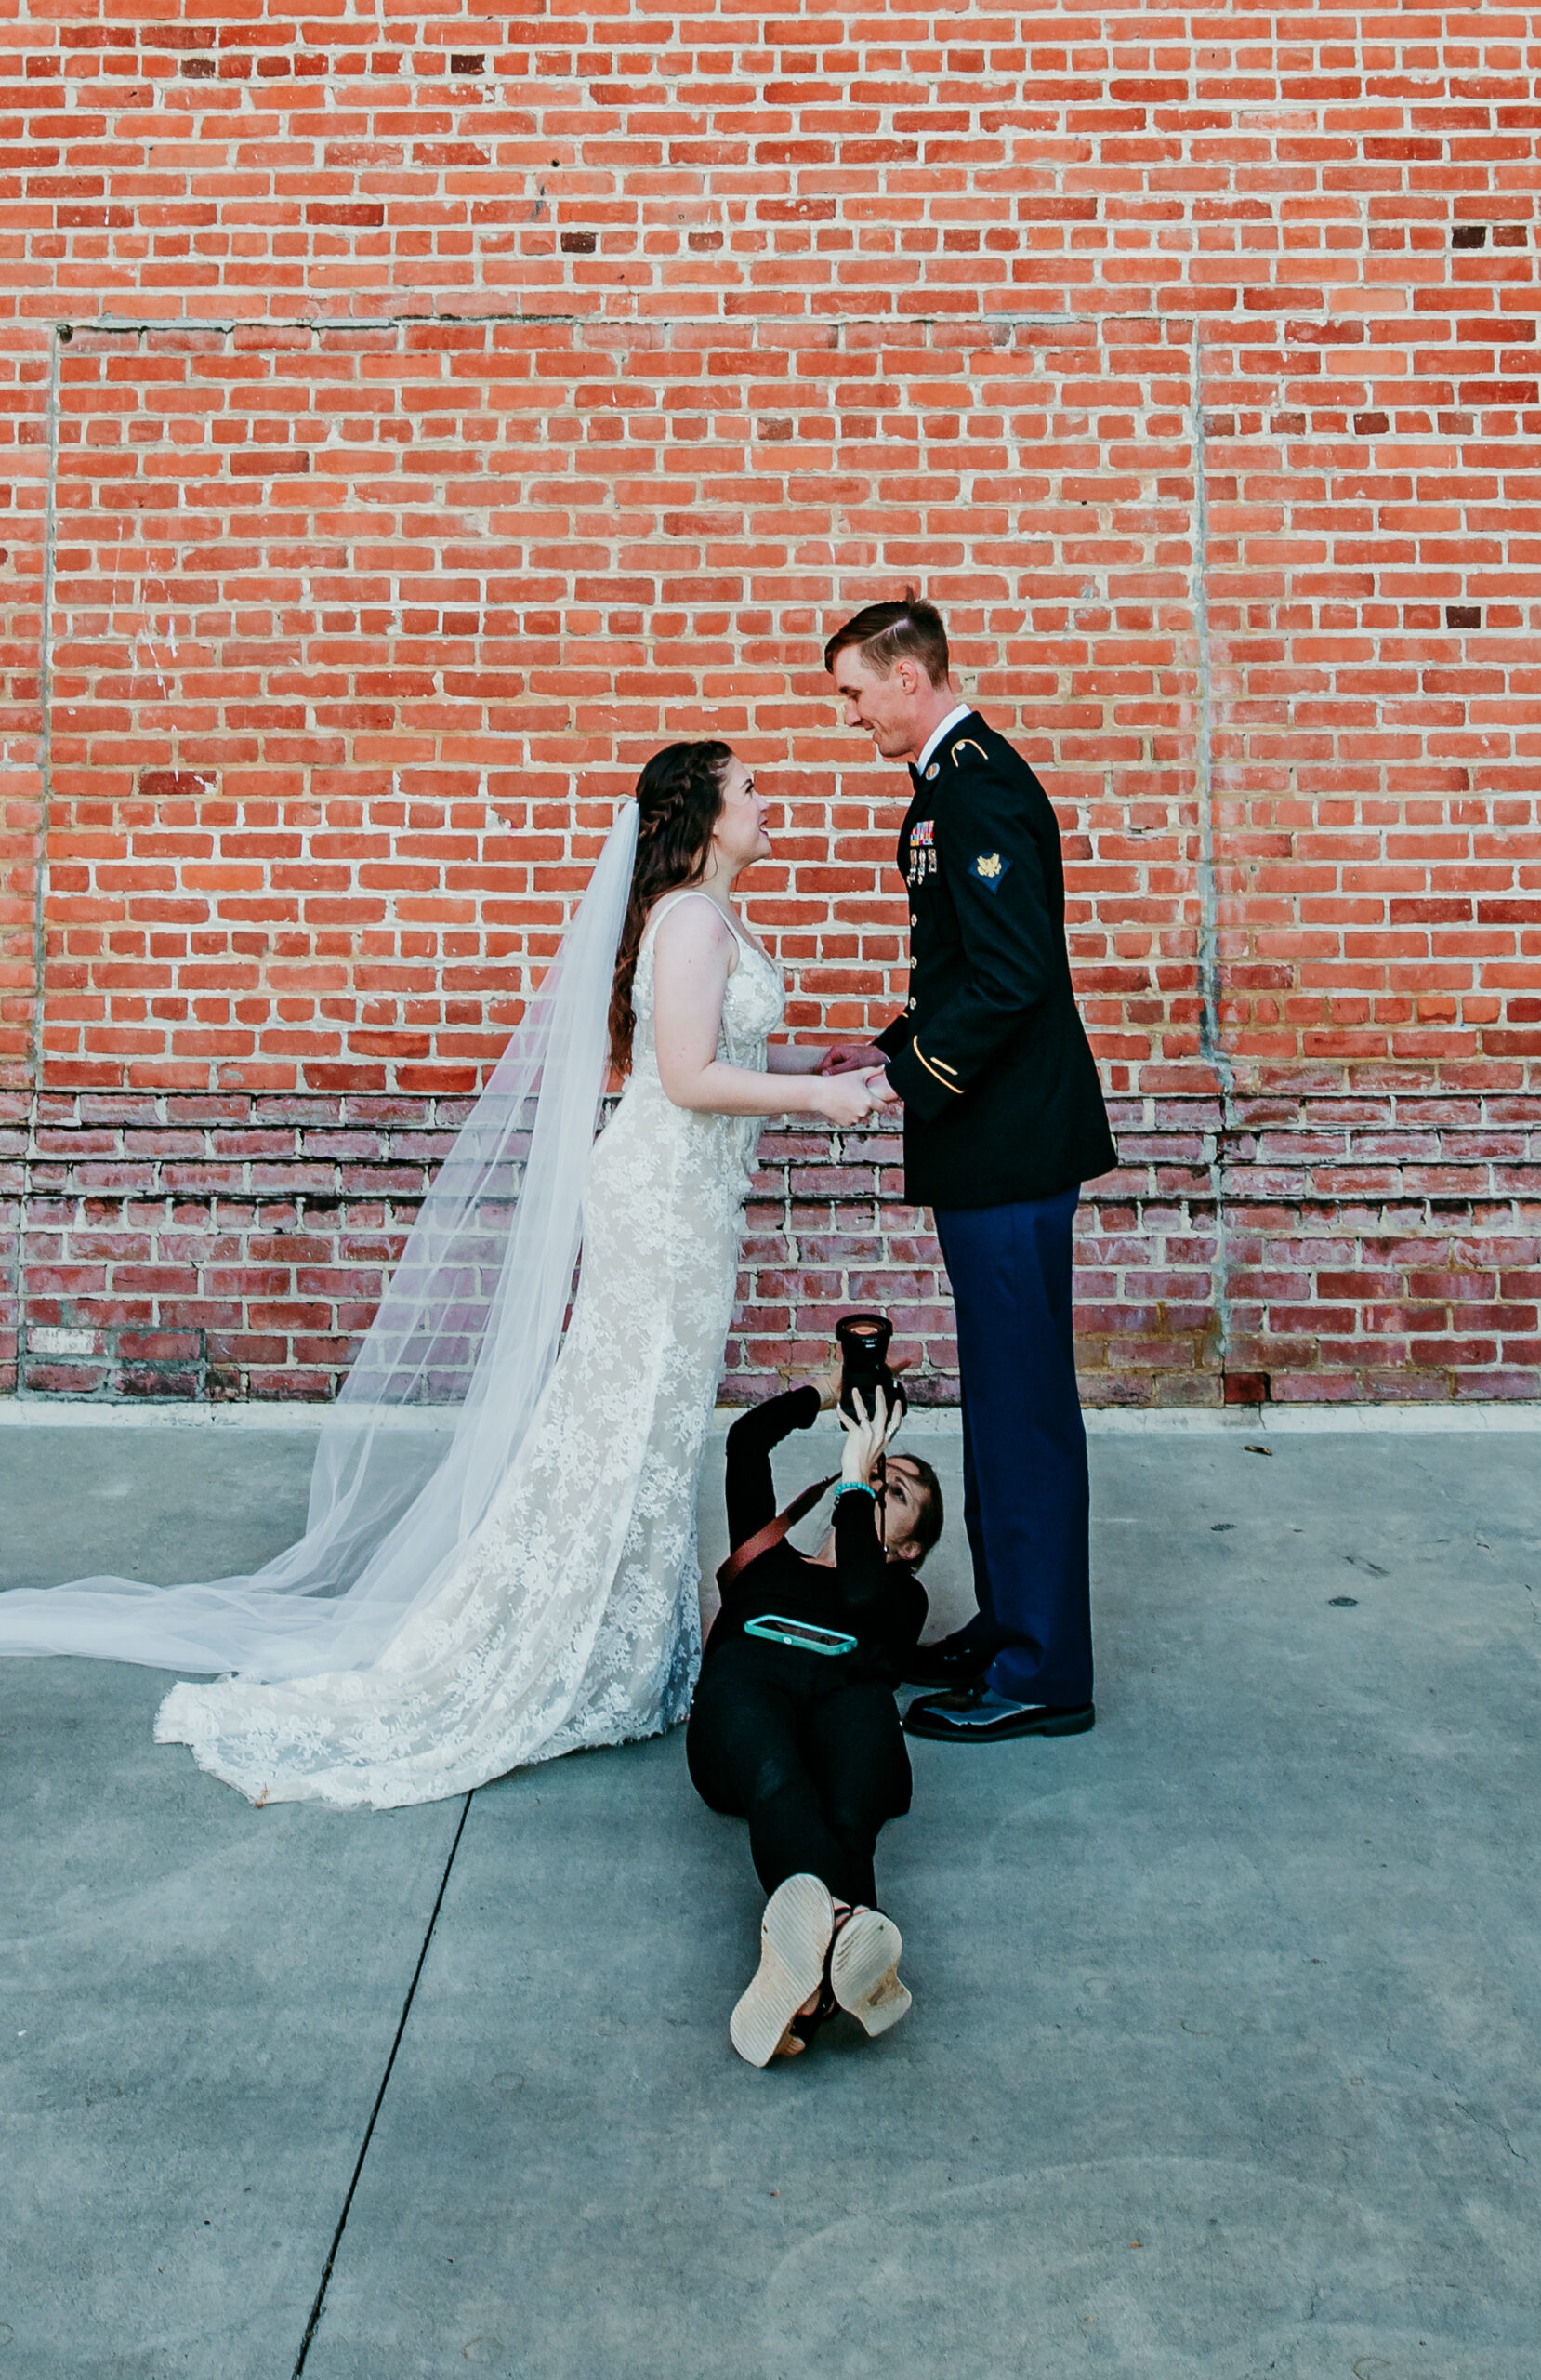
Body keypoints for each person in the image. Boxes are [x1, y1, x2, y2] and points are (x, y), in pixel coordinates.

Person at [0, 744, 892, 1809]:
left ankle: (624, 1647)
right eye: (747, 788)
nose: (764, 800)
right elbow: (691, 1079)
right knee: (623, 1422)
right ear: (702, 815)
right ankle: (557, 1647)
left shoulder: (716, 917)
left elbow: (712, 1051)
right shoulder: (691, 920)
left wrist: (818, 1062)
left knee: (653, 1425)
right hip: (659, 1205)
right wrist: (817, 1104)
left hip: (695, 1209)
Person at [820, 596, 1117, 1744]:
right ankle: (1011, 1628)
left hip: (1010, 1147)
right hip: (994, 1144)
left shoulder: (976, 788)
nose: (851, 715)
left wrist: (909, 1078)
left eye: (855, 692)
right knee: (1001, 1403)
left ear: (910, 676)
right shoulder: (950, 782)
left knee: (1023, 1410)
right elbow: (958, 969)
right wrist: (887, 1045)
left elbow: (1011, 978)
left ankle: (1042, 1671)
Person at [687, 1357, 942, 2065]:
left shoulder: (901, 1595)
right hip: (748, 1690)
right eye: (878, 1473)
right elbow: (746, 1442)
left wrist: (856, 1478)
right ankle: (848, 1944)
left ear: (909, 1546)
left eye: (895, 1492)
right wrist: (828, 1389)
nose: (877, 1483)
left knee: (850, 1814)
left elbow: (858, 1592)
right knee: (780, 1784)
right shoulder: (769, 1559)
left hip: (843, 1698)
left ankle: (806, 1981)